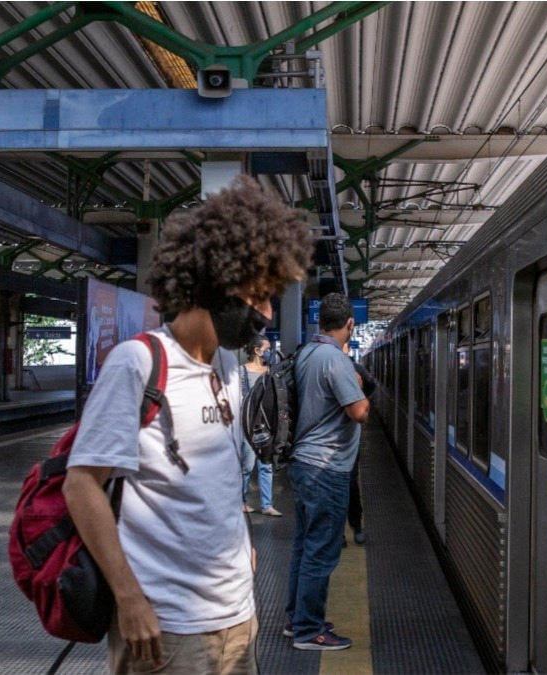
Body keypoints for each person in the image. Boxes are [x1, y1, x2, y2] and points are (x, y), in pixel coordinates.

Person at [63, 175, 313, 674]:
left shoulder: (224, 368)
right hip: (168, 626)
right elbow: (81, 486)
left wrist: (242, 545)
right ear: (215, 281)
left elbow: (215, 475)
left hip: (237, 615)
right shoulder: (137, 363)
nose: (265, 314)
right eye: (258, 296)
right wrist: (128, 597)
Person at [284, 293, 371, 650]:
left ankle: (296, 619)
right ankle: (308, 629)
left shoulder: (306, 353)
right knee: (321, 550)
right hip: (326, 468)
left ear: (321, 323)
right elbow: (359, 412)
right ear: (350, 324)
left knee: (304, 547)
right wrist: (361, 388)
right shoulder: (335, 361)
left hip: (305, 464)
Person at [240, 334, 280, 517]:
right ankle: (242, 502)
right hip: (248, 424)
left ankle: (267, 505)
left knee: (266, 465)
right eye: (267, 349)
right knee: (247, 465)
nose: (269, 353)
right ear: (257, 351)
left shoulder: (270, 371)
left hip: (265, 424)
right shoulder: (242, 372)